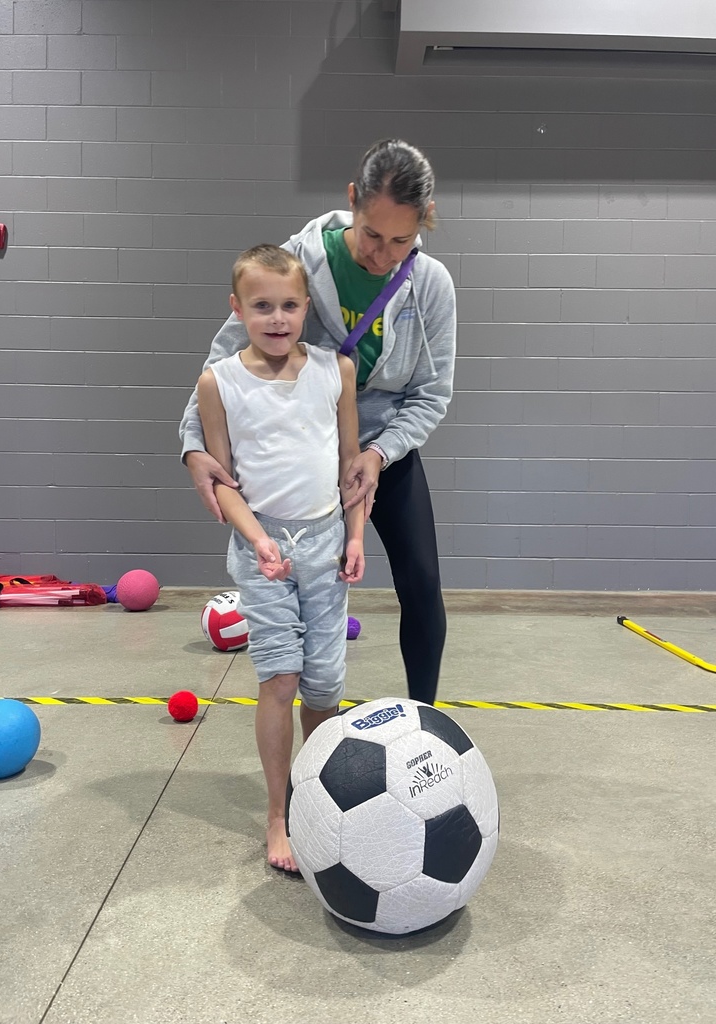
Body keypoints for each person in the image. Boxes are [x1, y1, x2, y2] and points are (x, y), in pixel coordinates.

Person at [180, 138, 456, 707]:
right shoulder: (297, 262)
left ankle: (426, 719)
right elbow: (222, 364)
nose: (382, 255)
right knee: (295, 612)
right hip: (300, 454)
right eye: (373, 235)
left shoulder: (430, 286)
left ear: (424, 222)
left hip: (380, 453)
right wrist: (192, 447)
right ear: (353, 201)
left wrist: (378, 456)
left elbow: (430, 395)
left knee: (423, 585)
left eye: (401, 241)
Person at [197, 244, 366, 872]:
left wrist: (354, 536)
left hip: (326, 542)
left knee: (323, 686)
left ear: (306, 308)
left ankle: (318, 804)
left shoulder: (334, 371)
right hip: (262, 545)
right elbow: (223, 479)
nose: (277, 318)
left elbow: (352, 469)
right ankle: (278, 815)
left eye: (290, 305)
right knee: (281, 679)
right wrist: (258, 539)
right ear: (237, 308)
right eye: (262, 305)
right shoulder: (219, 382)